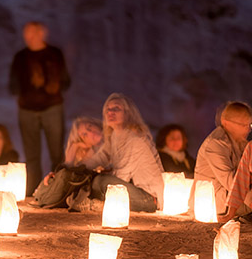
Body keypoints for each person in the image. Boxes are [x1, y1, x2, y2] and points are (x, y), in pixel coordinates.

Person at [9, 21, 70, 196]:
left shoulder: (54, 54)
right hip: (27, 109)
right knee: (31, 155)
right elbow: (13, 83)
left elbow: (65, 80)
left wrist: (54, 86)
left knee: (56, 152)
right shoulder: (21, 57)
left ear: (42, 34)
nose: (28, 37)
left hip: (52, 108)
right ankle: (32, 191)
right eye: (26, 33)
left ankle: (58, 189)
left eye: (32, 33)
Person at [79, 93, 164, 212]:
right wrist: (77, 169)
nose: (110, 112)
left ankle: (97, 204)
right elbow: (100, 157)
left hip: (148, 198)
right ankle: (95, 202)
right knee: (95, 180)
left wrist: (98, 175)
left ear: (127, 113)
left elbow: (122, 177)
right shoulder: (114, 136)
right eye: (108, 109)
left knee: (101, 181)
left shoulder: (135, 139)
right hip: (130, 191)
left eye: (116, 109)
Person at [194, 101, 252, 215]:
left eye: (250, 125)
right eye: (243, 125)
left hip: (232, 198)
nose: (248, 129)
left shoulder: (240, 142)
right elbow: (231, 181)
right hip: (217, 203)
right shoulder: (216, 144)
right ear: (225, 122)